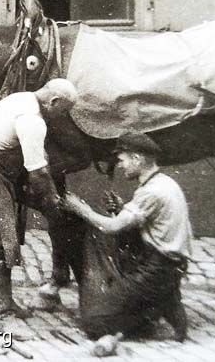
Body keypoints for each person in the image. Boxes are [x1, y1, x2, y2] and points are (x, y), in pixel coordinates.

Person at [0, 78, 78, 318]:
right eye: (64, 112)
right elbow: (38, 172)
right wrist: (53, 200)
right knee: (1, 235)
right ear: (54, 101)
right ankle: (3, 306)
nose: (62, 117)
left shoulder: (20, 98)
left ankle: (4, 302)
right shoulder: (32, 120)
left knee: (3, 231)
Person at [58, 131, 192, 342]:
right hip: (168, 263)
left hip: (157, 268)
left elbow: (112, 227)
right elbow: (146, 220)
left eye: (122, 160)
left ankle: (156, 311)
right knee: (111, 306)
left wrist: (80, 208)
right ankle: (161, 301)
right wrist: (121, 208)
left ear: (137, 159)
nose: (120, 166)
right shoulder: (163, 183)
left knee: (95, 324)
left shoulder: (151, 192)